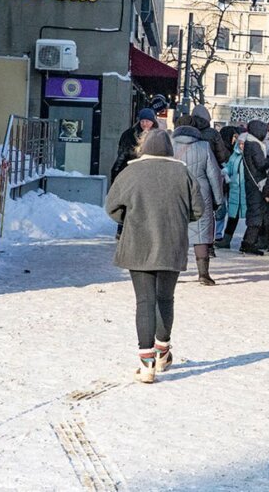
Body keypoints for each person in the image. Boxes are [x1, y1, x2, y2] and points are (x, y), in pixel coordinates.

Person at [105, 129, 202, 383]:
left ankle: (146, 364)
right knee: (165, 298)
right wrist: (179, 219)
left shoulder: (131, 172)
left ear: (144, 147)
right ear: (169, 149)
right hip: (172, 243)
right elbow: (198, 209)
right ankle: (163, 352)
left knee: (145, 301)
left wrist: (130, 218)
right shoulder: (183, 173)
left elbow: (112, 207)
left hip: (138, 243)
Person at [172, 116, 224, 286]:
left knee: (175, 232)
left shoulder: (170, 145)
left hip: (175, 192)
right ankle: (203, 274)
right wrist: (218, 199)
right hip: (201, 192)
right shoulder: (204, 146)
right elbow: (214, 175)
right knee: (201, 233)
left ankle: (173, 272)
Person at [240, 120, 269, 255]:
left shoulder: (249, 143)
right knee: (256, 212)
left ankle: (248, 241)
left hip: (252, 183)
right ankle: (249, 243)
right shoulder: (254, 145)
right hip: (256, 184)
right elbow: (261, 164)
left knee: (255, 211)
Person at [218, 132, 248, 249]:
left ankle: (249, 240)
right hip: (235, 190)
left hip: (246, 191)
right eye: (240, 143)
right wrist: (225, 171)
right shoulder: (234, 156)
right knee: (232, 216)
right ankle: (226, 240)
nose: (241, 146)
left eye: (243, 144)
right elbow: (229, 167)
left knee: (249, 217)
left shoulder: (249, 157)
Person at [111, 108, 158, 180]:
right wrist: (116, 171)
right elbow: (122, 155)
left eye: (147, 121)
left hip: (151, 171)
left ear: (152, 122)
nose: (144, 124)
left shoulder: (158, 136)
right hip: (131, 170)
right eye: (142, 121)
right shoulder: (129, 135)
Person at [215, 126, 241, 244]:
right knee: (222, 209)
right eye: (234, 136)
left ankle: (218, 234)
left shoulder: (222, 148)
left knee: (221, 209)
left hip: (225, 183)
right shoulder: (228, 150)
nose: (235, 139)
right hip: (226, 183)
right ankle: (219, 234)